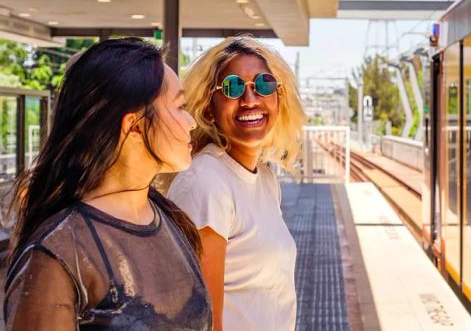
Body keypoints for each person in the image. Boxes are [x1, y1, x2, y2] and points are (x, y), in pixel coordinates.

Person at [4, 38, 212, 330]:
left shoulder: (171, 220)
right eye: (180, 107)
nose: (191, 122)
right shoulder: (58, 252)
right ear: (135, 125)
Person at [168, 36, 305, 331]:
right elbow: (202, 320)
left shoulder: (265, 179)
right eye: (232, 87)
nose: (251, 99)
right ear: (208, 109)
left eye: (264, 84)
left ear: (279, 99)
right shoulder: (206, 182)